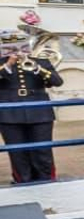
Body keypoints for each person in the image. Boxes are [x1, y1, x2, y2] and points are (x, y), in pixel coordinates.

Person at [0, 31, 64, 183]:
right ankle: (23, 180)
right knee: (17, 151)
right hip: (9, 112)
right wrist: (8, 64)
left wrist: (37, 68)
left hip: (39, 111)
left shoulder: (41, 62)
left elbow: (57, 81)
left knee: (42, 149)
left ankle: (46, 179)